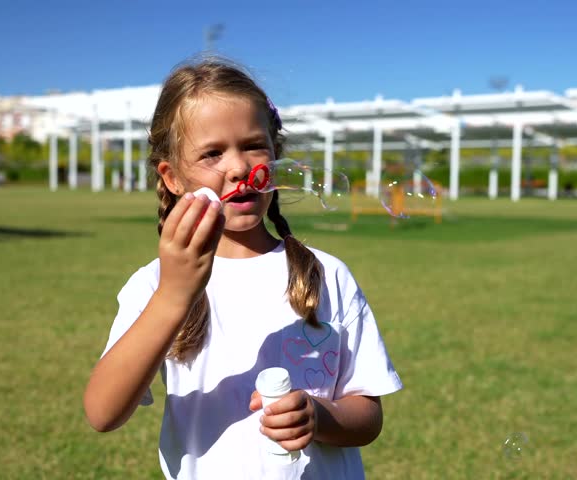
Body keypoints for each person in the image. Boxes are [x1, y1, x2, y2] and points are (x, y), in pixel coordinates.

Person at [83, 59, 402, 479]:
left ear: (275, 155)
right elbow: (103, 412)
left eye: (253, 145)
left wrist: (319, 416)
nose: (238, 168)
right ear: (172, 176)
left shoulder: (328, 274)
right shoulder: (154, 284)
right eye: (212, 153)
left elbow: (368, 416)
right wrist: (175, 295)